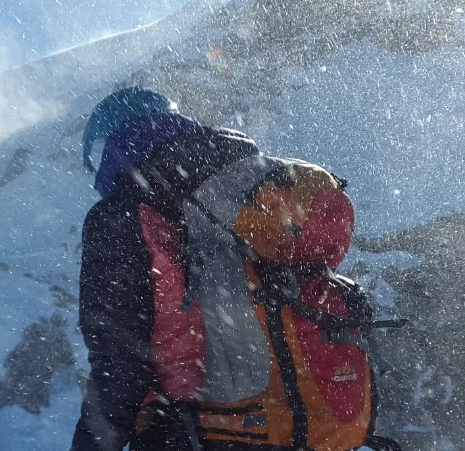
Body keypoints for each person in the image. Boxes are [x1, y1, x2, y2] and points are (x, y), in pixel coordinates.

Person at [71, 89, 401, 451]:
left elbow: (118, 367)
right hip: (302, 428)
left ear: (109, 147)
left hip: (201, 432)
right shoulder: (248, 188)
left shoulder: (123, 215)